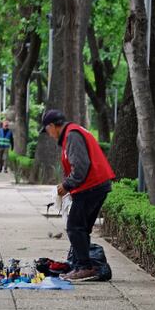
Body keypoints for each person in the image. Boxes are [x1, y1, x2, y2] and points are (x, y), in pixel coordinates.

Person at [40, 108, 115, 282]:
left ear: (52, 126)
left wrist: (66, 185)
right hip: (96, 185)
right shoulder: (73, 132)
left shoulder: (72, 135)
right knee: (82, 228)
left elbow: (81, 167)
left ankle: (85, 267)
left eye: (47, 130)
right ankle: (82, 265)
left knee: (74, 227)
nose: (49, 135)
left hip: (92, 186)